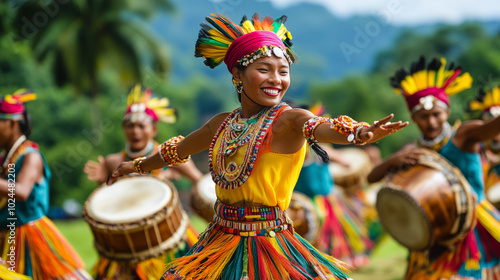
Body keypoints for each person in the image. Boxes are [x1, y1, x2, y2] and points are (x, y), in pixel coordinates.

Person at [108, 13, 408, 280]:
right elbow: (177, 150)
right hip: (220, 238)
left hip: (269, 242)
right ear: (237, 75)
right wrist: (135, 166)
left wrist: (360, 133)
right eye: (264, 69)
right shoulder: (220, 124)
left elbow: (323, 127)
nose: (276, 79)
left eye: (283, 71)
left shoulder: (290, 120)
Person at [368, 56, 500, 279]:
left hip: (474, 227)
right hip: (434, 231)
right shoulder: (413, 150)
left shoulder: (464, 136)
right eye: (424, 116)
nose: (431, 122)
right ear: (413, 117)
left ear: (447, 113)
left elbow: (492, 128)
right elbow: (372, 177)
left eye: (436, 114)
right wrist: (393, 161)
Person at [84, 85, 202, 280]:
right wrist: (101, 185)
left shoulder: (169, 155)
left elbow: (199, 182)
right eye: (129, 126)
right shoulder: (113, 161)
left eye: (141, 126)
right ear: (124, 129)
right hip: (126, 239)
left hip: (168, 238)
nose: (135, 131)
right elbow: (106, 205)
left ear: (153, 129)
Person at [0, 89, 92, 280]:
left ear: (12, 122)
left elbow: (22, 191)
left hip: (29, 237)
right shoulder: (4, 158)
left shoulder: (30, 157)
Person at [293, 104, 375, 267]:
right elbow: (344, 162)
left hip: (326, 201)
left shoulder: (314, 148)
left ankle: (332, 261)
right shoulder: (301, 150)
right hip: (308, 204)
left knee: (333, 236)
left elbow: (344, 162)